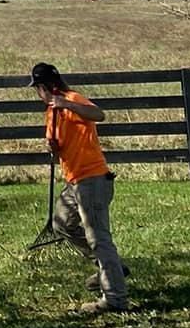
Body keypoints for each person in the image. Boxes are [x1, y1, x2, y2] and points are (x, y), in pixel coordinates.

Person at [30, 62, 128, 313]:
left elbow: (98, 114)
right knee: (61, 224)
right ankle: (111, 267)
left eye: (37, 88)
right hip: (74, 181)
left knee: (98, 239)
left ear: (45, 87)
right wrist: (52, 147)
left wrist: (68, 105)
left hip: (92, 180)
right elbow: (60, 143)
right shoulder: (51, 111)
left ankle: (115, 298)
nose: (37, 94)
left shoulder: (72, 100)